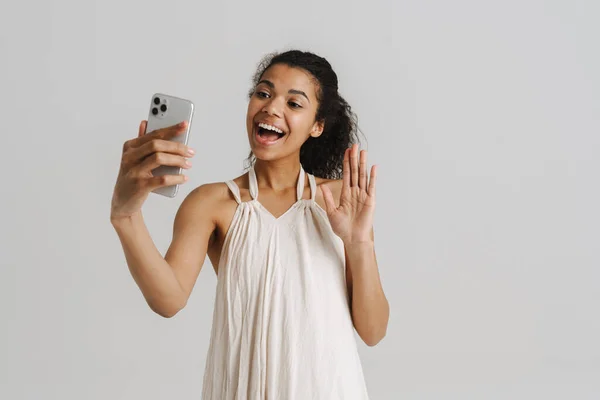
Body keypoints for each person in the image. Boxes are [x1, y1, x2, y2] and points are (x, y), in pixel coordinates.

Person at [110, 49, 389, 399]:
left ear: (317, 126)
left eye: (294, 103)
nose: (272, 108)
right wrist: (125, 215)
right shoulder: (212, 203)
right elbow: (168, 299)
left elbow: (373, 330)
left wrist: (360, 242)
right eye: (264, 93)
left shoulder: (340, 202)